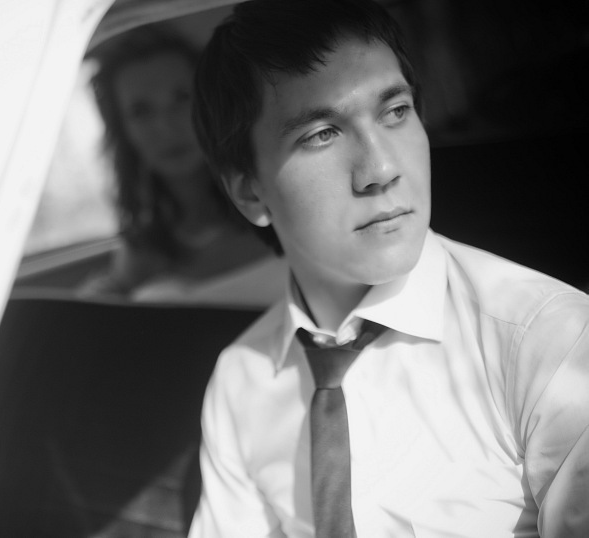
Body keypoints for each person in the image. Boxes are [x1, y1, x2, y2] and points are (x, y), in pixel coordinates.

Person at [187, 0, 589, 536]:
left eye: (395, 111)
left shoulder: (548, 342)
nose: (380, 168)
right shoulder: (242, 379)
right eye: (321, 134)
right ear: (249, 192)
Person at [78, 26, 286, 307]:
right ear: (123, 131)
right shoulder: (141, 249)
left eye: (181, 98)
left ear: (213, 103)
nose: (166, 127)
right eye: (141, 111)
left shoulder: (277, 201)